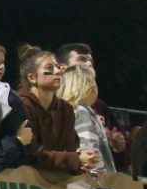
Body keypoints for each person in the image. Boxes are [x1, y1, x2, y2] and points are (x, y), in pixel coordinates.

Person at [16, 46, 98, 174]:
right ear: (32, 78)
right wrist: (74, 160)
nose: (58, 71)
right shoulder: (20, 106)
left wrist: (82, 164)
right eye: (49, 68)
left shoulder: (66, 109)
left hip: (56, 186)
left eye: (58, 67)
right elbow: (32, 155)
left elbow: (71, 148)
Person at [60, 64, 114, 174]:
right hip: (96, 182)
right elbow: (89, 149)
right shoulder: (82, 111)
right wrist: (100, 178)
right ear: (87, 85)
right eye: (93, 81)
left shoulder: (66, 111)